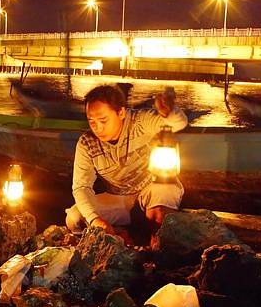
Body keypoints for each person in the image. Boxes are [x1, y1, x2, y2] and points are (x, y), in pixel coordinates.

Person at [66, 84, 188, 235]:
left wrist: (169, 113)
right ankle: (120, 235)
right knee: (74, 218)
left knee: (160, 211)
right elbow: (81, 187)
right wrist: (95, 220)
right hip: (119, 198)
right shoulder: (87, 144)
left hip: (154, 188)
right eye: (92, 121)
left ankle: (158, 239)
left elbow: (178, 123)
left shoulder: (140, 122)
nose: (98, 128)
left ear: (121, 112)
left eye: (103, 120)